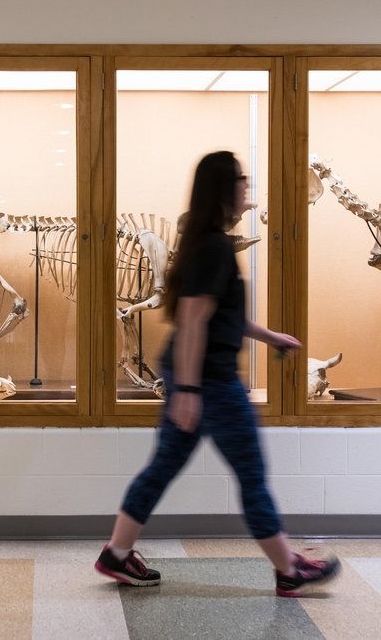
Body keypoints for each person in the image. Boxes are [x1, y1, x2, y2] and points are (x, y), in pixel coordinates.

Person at [94, 151, 339, 597]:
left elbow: (218, 316)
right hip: (210, 381)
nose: (248, 186)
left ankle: (116, 553)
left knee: (162, 468)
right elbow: (192, 320)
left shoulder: (206, 244)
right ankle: (288, 569)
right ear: (224, 190)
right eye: (241, 180)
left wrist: (270, 337)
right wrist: (187, 390)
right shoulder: (212, 249)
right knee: (251, 473)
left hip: (198, 376)